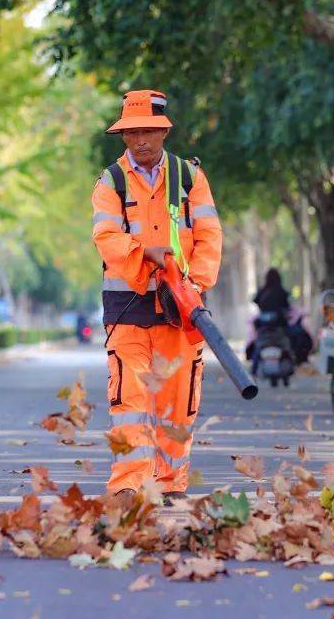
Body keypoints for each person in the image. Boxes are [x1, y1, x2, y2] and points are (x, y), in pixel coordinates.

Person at [91, 90, 223, 506]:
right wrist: (140, 254)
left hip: (180, 308)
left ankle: (169, 483)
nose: (140, 140)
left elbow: (209, 236)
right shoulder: (110, 182)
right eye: (132, 133)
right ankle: (129, 485)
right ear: (123, 137)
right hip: (127, 307)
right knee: (130, 397)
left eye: (148, 131)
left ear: (163, 133)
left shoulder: (189, 178)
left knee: (176, 400)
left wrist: (195, 286)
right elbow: (106, 237)